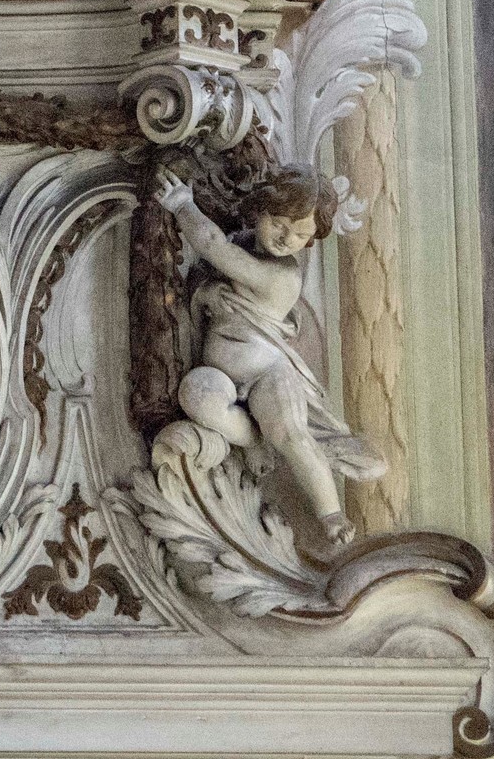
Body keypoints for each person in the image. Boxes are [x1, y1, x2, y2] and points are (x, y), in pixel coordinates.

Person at [155, 165, 385, 547]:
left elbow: (212, 247)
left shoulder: (282, 277)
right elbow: (208, 276)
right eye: (279, 224)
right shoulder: (245, 243)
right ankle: (255, 440)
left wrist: (182, 204)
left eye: (301, 234)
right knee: (195, 396)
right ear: (260, 209)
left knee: (292, 436)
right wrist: (207, 293)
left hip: (267, 373)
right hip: (221, 375)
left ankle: (331, 514)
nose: (286, 239)